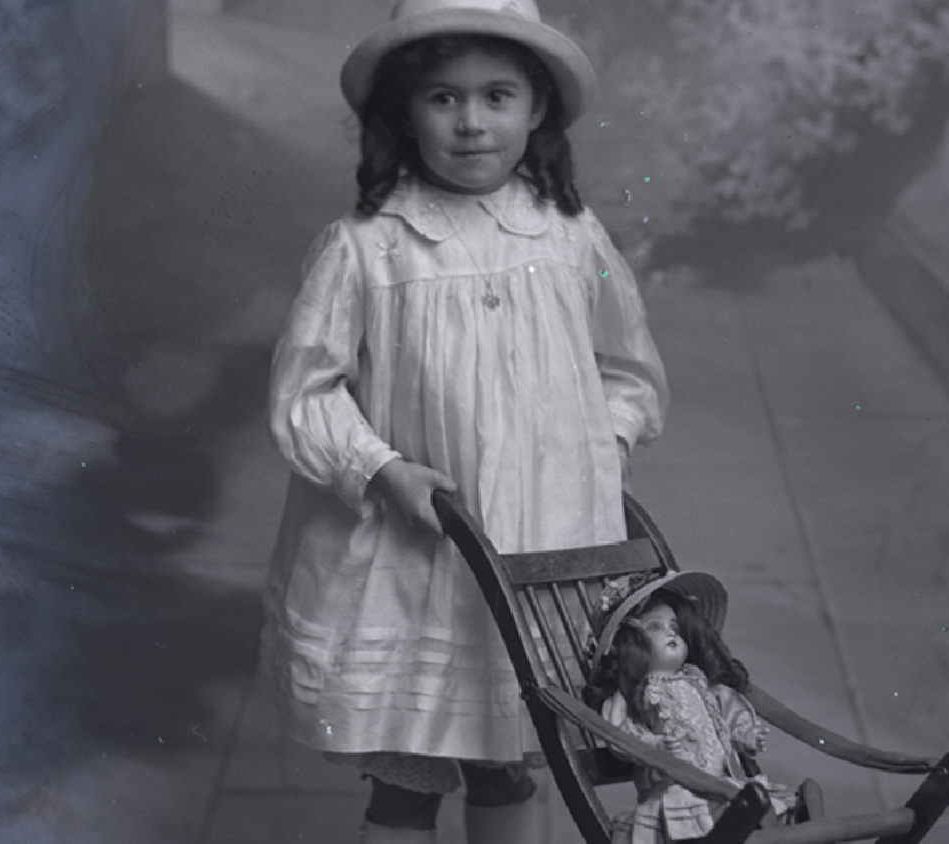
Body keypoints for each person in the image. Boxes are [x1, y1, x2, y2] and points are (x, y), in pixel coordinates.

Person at [261, 1, 668, 841]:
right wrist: (379, 467)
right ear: (405, 112)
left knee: (511, 753)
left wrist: (604, 445)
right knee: (411, 770)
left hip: (540, 546)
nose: (473, 123)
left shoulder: (567, 235)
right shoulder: (368, 247)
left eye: (497, 96)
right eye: (444, 98)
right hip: (417, 551)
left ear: (538, 108)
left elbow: (626, 369)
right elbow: (305, 391)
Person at [582, 571, 794, 843]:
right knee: (733, 810)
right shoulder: (631, 694)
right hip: (672, 791)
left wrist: (745, 734)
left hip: (719, 784)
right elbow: (617, 735)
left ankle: (782, 817)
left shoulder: (700, 684)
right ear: (628, 643)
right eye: (656, 627)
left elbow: (728, 711)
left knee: (749, 803)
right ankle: (765, 822)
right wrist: (655, 746)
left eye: (676, 628)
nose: (671, 632)